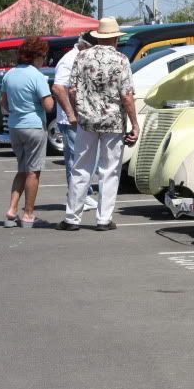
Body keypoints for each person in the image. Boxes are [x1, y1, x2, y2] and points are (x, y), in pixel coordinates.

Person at [57, 18, 139, 231]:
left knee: (80, 168)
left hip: (87, 121)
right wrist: (135, 124)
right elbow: (127, 96)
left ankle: (72, 218)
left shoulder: (82, 57)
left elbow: (72, 90)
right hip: (112, 122)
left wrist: (78, 112)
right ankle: (104, 219)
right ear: (115, 38)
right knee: (109, 170)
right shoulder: (121, 59)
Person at [1, 37, 54, 228]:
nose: (44, 60)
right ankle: (28, 215)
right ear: (36, 56)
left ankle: (11, 210)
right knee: (33, 172)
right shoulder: (37, 76)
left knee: (22, 169)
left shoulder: (9, 75)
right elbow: (48, 106)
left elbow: (4, 104)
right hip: (34, 126)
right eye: (43, 56)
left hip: (15, 126)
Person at [50, 32, 97, 210]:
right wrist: (70, 114)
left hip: (79, 117)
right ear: (84, 45)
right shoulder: (69, 60)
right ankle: (77, 197)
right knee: (77, 159)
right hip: (71, 119)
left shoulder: (80, 58)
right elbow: (58, 87)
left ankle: (82, 194)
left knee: (81, 157)